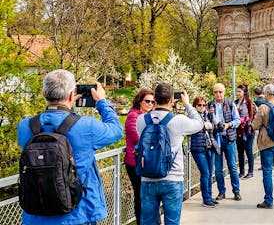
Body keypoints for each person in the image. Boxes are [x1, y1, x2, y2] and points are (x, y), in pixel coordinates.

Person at [17, 69, 123, 225]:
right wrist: (102, 102)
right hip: (77, 213)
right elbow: (116, 130)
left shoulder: (26, 126)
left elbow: (54, 126)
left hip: (36, 215)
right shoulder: (86, 125)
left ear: (43, 93)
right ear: (72, 95)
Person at [138, 84, 203, 225]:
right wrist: (187, 104)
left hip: (147, 178)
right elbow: (199, 123)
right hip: (172, 178)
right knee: (172, 222)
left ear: (154, 99)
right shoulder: (178, 120)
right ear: (172, 100)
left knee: (147, 221)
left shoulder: (142, 120)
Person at [125, 88, 155, 225]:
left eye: (152, 102)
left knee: (148, 194)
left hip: (146, 160)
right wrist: (153, 145)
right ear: (140, 101)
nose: (150, 104)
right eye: (147, 101)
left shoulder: (150, 116)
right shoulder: (133, 115)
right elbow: (136, 137)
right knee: (140, 194)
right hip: (134, 161)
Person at [210, 83, 242, 201]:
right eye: (215, 92)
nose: (218, 94)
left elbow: (238, 120)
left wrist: (228, 125)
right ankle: (221, 191)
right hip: (216, 140)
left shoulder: (230, 104)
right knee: (218, 168)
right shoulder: (210, 105)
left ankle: (236, 191)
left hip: (229, 139)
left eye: (220, 92)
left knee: (232, 166)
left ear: (224, 92)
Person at [190, 96, 218, 208]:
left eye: (203, 105)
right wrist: (203, 126)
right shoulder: (193, 117)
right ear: (195, 106)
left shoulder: (208, 115)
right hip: (198, 148)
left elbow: (213, 130)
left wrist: (213, 121)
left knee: (210, 173)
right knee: (205, 173)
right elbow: (191, 130)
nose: (202, 107)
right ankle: (206, 199)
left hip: (209, 147)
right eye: (199, 105)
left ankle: (209, 196)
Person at [235, 84, 255, 179]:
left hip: (247, 130)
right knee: (240, 151)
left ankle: (250, 171)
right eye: (237, 91)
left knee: (248, 150)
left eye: (239, 91)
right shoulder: (235, 102)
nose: (238, 93)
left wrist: (245, 120)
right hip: (238, 130)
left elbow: (251, 115)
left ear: (244, 92)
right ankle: (242, 171)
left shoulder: (248, 102)